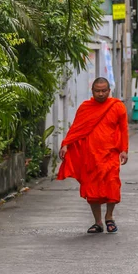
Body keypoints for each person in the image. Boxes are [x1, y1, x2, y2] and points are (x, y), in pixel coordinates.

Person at [57, 77, 128, 234]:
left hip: (110, 153)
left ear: (109, 91)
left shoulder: (117, 106)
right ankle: (98, 222)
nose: (101, 94)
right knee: (92, 188)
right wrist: (66, 144)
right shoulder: (85, 107)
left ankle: (109, 217)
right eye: (97, 91)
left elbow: (123, 129)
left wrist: (124, 150)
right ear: (92, 91)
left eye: (104, 91)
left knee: (112, 183)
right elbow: (77, 128)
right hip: (90, 154)